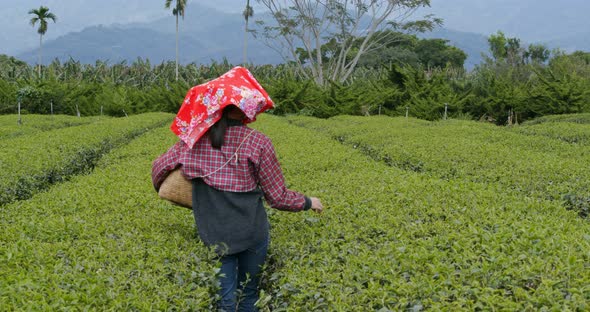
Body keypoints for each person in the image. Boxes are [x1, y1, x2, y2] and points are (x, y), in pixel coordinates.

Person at [152, 66, 323, 311]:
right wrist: (308, 202)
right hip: (251, 232)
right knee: (249, 294)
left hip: (213, 233)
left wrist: (167, 184)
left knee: (225, 299)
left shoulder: (192, 142)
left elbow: (159, 168)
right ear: (245, 109)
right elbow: (277, 197)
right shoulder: (258, 142)